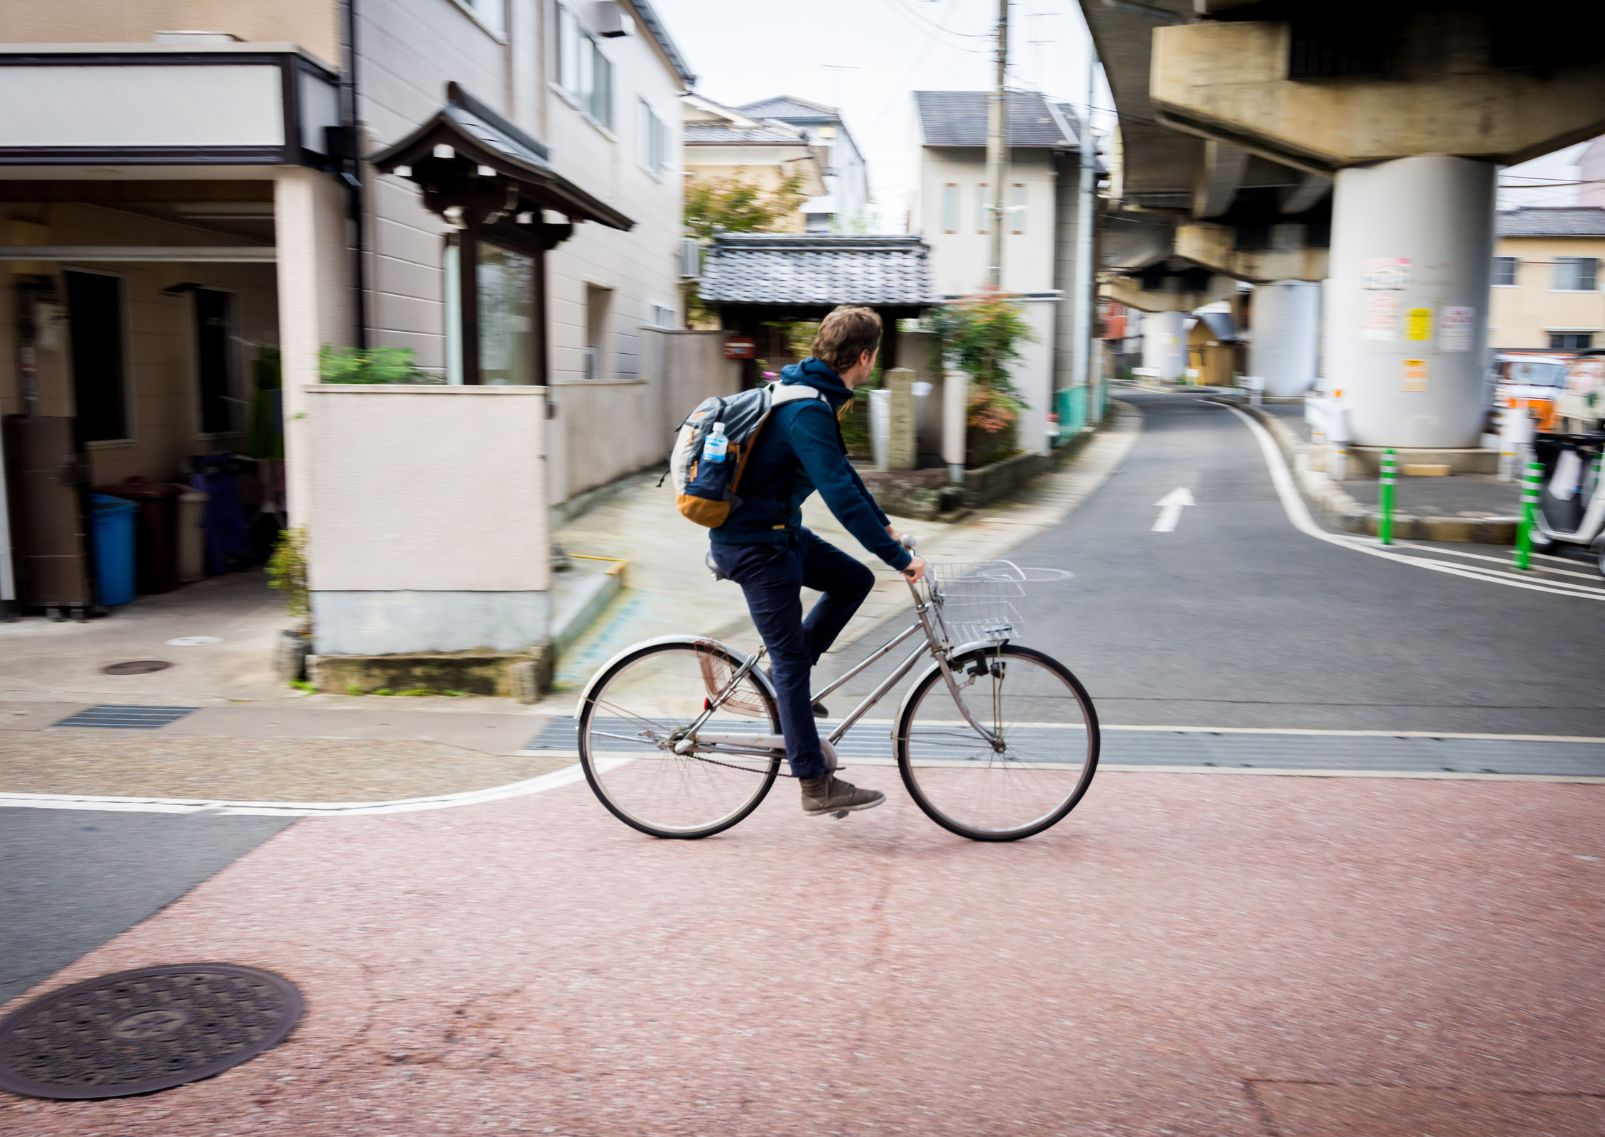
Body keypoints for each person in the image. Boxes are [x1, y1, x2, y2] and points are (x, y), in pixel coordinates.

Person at [709, 305, 926, 817]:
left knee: (853, 579)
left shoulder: (815, 396)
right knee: (789, 665)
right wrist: (899, 557)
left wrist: (888, 527)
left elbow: (845, 477)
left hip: (779, 535)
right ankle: (814, 782)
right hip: (755, 547)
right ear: (866, 356)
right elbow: (840, 498)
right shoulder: (807, 408)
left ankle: (791, 703)